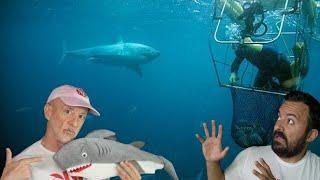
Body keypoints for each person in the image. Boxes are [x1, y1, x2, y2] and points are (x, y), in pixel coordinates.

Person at [0, 84, 141, 180]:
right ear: (48, 111)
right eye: (68, 111)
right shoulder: (21, 167)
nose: (74, 123)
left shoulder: (95, 159)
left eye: (81, 116)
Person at [196, 90, 320, 180]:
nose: (278, 126)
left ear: (311, 135)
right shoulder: (250, 155)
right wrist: (212, 163)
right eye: (279, 116)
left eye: (290, 121)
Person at [229, 37, 309, 91]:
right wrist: (233, 73)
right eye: (234, 47)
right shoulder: (241, 51)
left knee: (287, 87)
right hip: (265, 70)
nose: (235, 50)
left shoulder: (254, 46)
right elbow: (236, 62)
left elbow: (274, 52)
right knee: (257, 89)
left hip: (280, 66)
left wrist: (252, 44)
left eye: (236, 47)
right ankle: (271, 85)